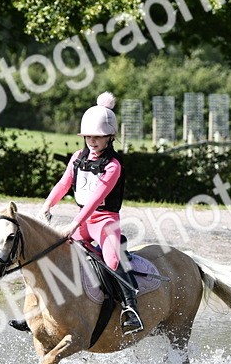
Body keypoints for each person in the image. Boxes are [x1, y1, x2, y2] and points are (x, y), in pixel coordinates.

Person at [12, 92, 143, 335]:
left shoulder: (113, 165)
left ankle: (130, 309)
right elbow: (63, 184)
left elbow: (95, 200)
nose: (92, 141)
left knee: (113, 260)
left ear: (110, 137)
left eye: (98, 137)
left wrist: (73, 224)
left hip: (105, 221)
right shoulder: (78, 158)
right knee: (51, 254)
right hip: (83, 218)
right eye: (88, 137)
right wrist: (47, 205)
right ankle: (35, 310)